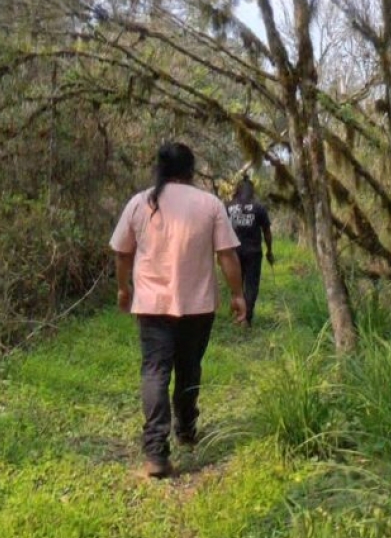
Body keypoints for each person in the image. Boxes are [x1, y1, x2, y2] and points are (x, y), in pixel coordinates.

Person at [110, 142, 247, 479]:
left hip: (153, 305)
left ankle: (156, 452)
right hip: (198, 306)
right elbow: (227, 256)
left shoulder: (141, 202)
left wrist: (124, 287)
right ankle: (185, 428)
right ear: (191, 169)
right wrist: (238, 295)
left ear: (159, 168)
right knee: (189, 368)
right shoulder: (210, 204)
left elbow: (122, 253)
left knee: (155, 370)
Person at [226, 176, 273, 328]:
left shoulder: (228, 207)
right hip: (253, 252)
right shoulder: (259, 207)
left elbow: (222, 230)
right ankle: (246, 318)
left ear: (237, 190)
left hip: (234, 252)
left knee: (236, 285)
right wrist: (269, 251)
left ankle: (238, 315)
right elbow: (267, 231)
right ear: (252, 191)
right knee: (251, 286)